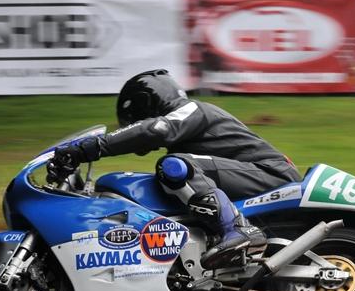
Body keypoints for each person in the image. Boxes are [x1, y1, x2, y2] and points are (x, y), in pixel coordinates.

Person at [47, 70, 302, 271]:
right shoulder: (186, 141)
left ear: (146, 104)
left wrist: (90, 148)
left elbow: (156, 130)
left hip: (269, 173)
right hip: (253, 176)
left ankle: (239, 231)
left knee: (175, 167)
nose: (133, 125)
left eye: (133, 119)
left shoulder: (192, 109)